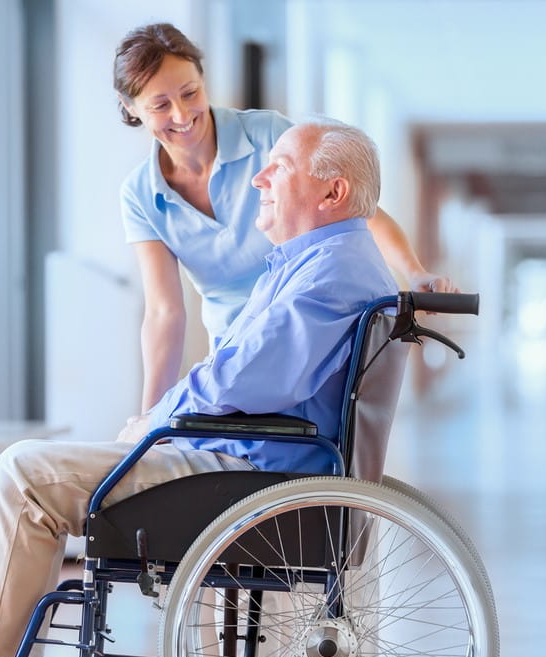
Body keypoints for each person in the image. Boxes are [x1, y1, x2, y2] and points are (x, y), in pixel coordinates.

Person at [0, 119, 395, 657]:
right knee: (53, 463)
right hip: (248, 460)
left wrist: (157, 420)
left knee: (23, 473)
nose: (259, 178)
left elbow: (245, 377)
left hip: (248, 475)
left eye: (279, 167)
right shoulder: (325, 263)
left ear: (333, 193)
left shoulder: (332, 270)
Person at [115, 22, 453, 415]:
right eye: (160, 105)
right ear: (131, 108)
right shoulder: (140, 193)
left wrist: (414, 273)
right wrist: (148, 423)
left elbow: (356, 209)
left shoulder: (268, 137)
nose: (182, 114)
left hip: (300, 332)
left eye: (191, 93)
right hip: (238, 353)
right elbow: (164, 312)